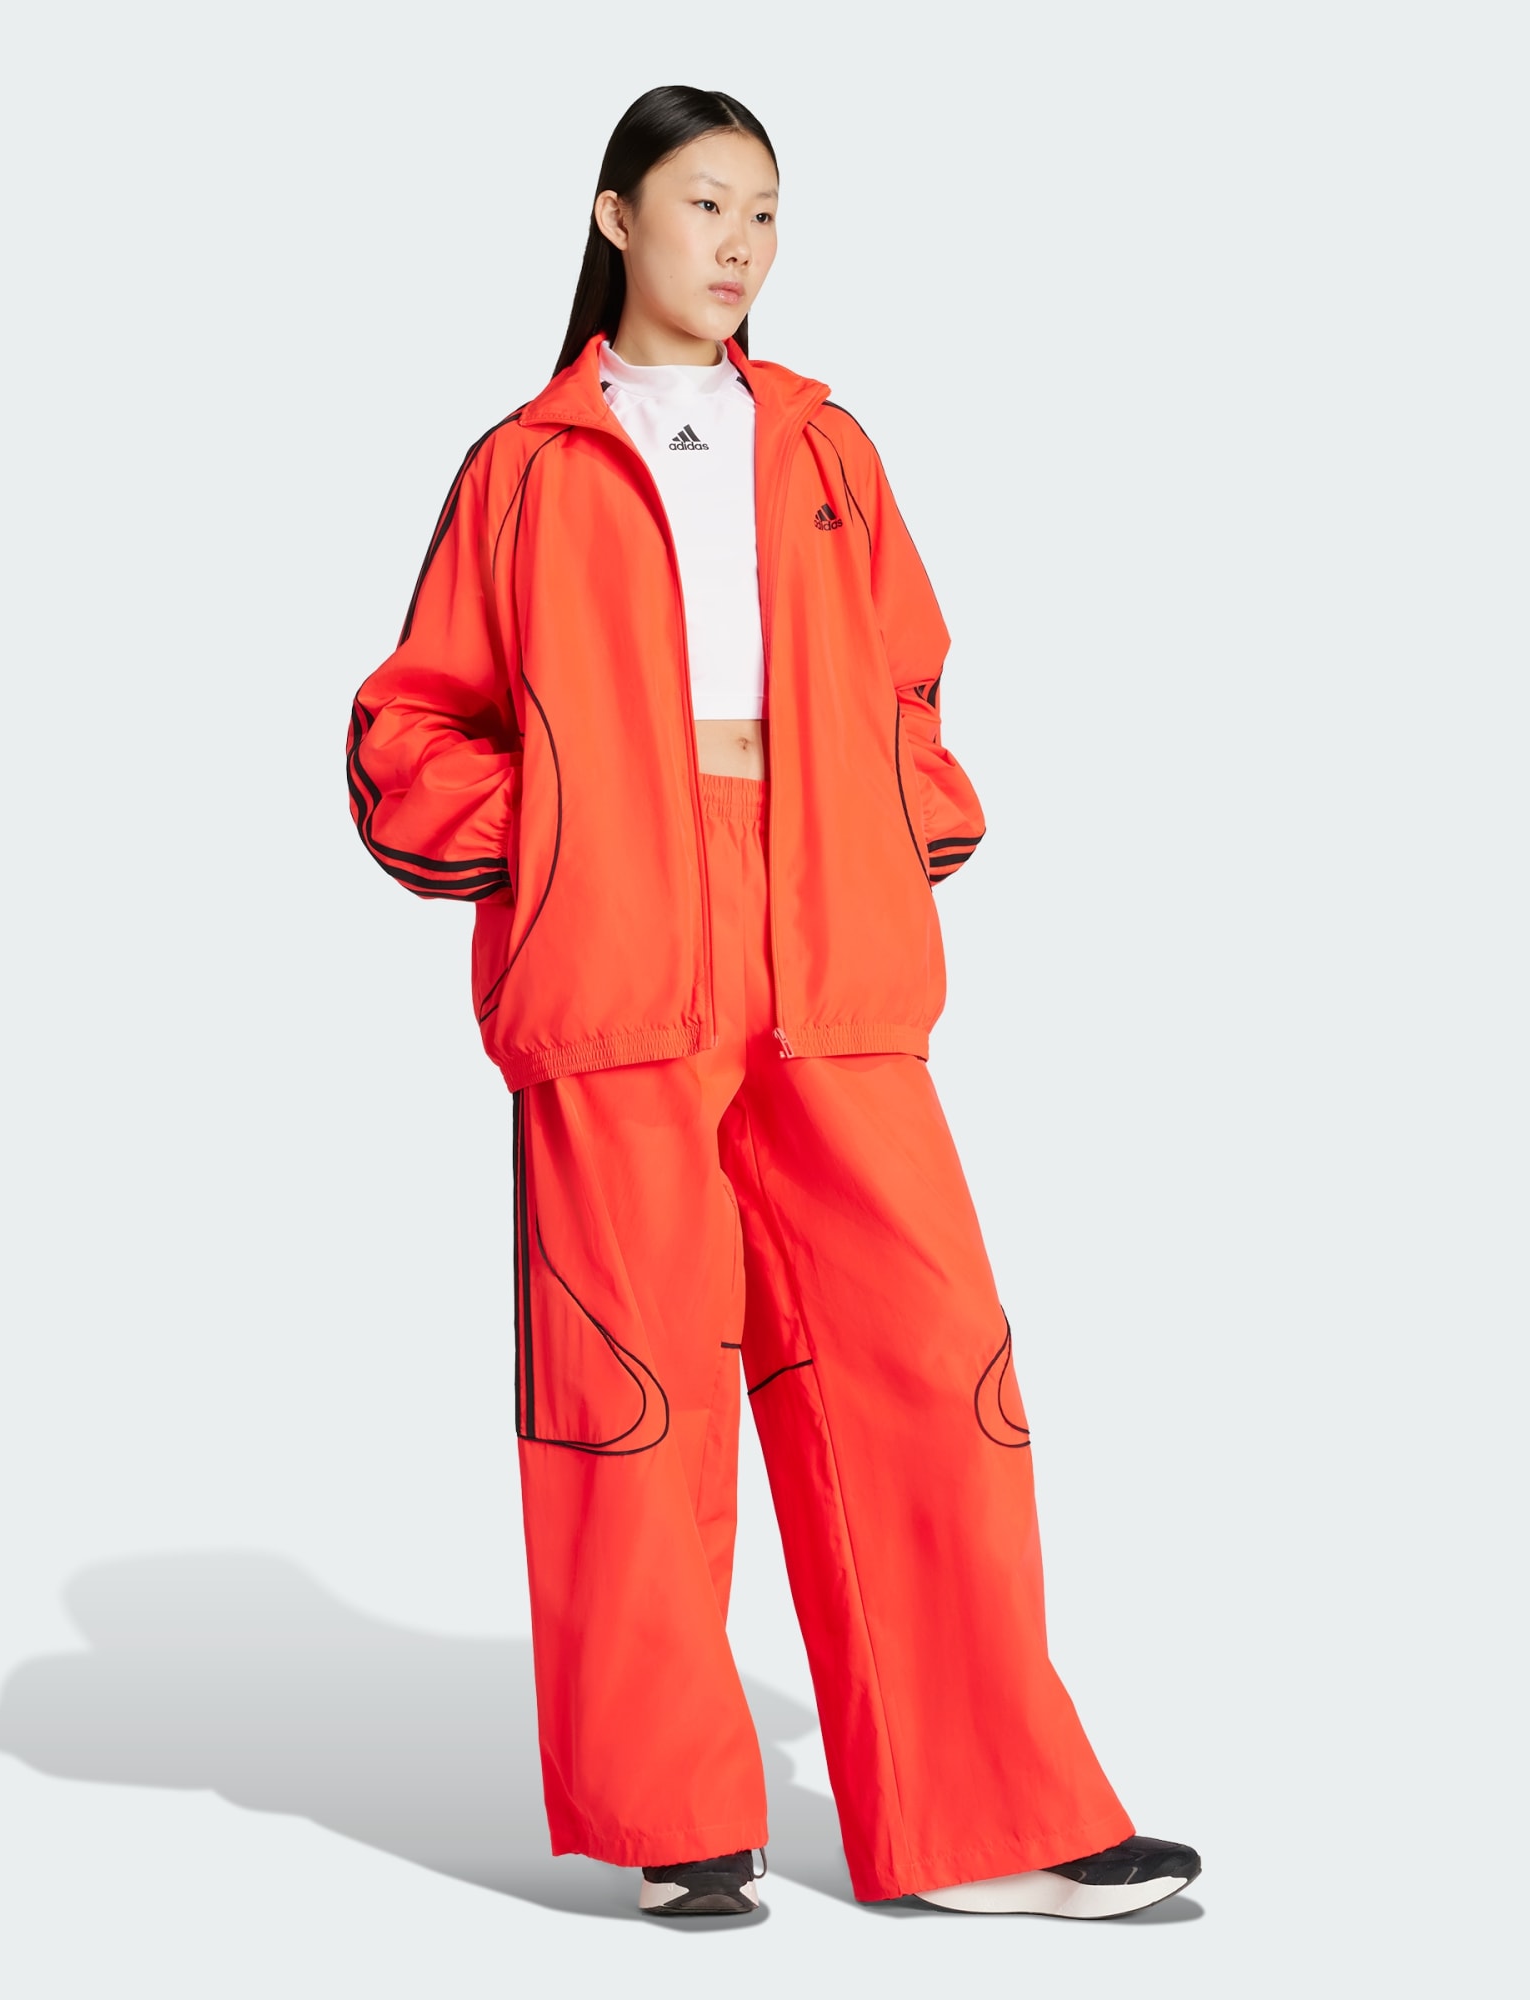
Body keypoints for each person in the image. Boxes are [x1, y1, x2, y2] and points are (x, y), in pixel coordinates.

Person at [346, 83, 1200, 1922]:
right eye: (704, 205)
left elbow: (908, 688)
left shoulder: (823, 444)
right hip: (618, 953)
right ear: (614, 216)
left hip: (825, 940)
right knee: (637, 1380)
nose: (738, 245)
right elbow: (412, 724)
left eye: (764, 214)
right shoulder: (526, 465)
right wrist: (565, 840)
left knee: (929, 1362)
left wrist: (894, 825)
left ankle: (986, 1822)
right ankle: (677, 1817)